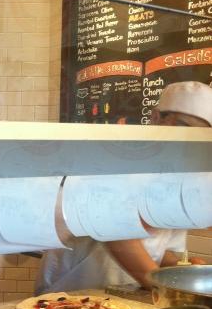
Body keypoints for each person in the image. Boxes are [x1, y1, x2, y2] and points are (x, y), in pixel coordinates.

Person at [35, 81, 211, 294]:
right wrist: (163, 287)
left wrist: (181, 268)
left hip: (129, 294)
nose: (192, 141)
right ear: (156, 118)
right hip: (72, 291)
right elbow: (117, 235)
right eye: (185, 128)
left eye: (203, 135)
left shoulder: (183, 177)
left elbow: (159, 249)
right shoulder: (117, 157)